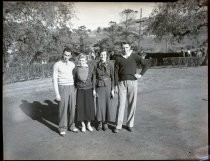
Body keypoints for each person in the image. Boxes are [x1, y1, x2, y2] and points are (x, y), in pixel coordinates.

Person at [114, 41, 149, 133]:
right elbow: (115, 73)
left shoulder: (134, 56)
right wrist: (115, 85)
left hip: (133, 83)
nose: (125, 49)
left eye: (126, 47)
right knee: (121, 104)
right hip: (121, 83)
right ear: (121, 48)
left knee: (132, 104)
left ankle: (130, 124)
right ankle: (118, 125)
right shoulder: (118, 58)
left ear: (129, 47)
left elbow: (146, 64)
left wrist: (140, 74)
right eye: (123, 47)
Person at [53, 47, 79, 136]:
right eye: (65, 55)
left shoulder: (72, 64)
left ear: (70, 56)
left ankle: (72, 125)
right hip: (62, 87)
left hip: (71, 87)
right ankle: (62, 128)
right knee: (63, 108)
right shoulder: (57, 64)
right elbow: (54, 80)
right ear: (62, 54)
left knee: (72, 108)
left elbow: (76, 77)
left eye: (68, 55)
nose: (66, 57)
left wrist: (75, 88)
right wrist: (57, 93)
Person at [73, 54, 96, 133]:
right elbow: (74, 79)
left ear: (86, 60)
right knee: (81, 108)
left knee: (89, 107)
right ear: (79, 60)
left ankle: (88, 124)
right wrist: (77, 86)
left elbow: (93, 79)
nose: (82, 62)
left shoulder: (90, 68)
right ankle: (83, 125)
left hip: (89, 89)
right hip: (80, 90)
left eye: (83, 60)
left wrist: (93, 89)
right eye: (80, 60)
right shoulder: (76, 69)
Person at [94, 50, 115, 131]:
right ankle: (99, 122)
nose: (102, 56)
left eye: (104, 55)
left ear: (106, 56)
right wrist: (94, 89)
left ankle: (105, 122)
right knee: (99, 105)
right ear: (99, 55)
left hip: (108, 86)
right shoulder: (96, 64)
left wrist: (113, 89)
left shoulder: (110, 64)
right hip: (99, 86)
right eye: (101, 54)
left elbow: (113, 77)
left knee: (107, 105)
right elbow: (94, 77)